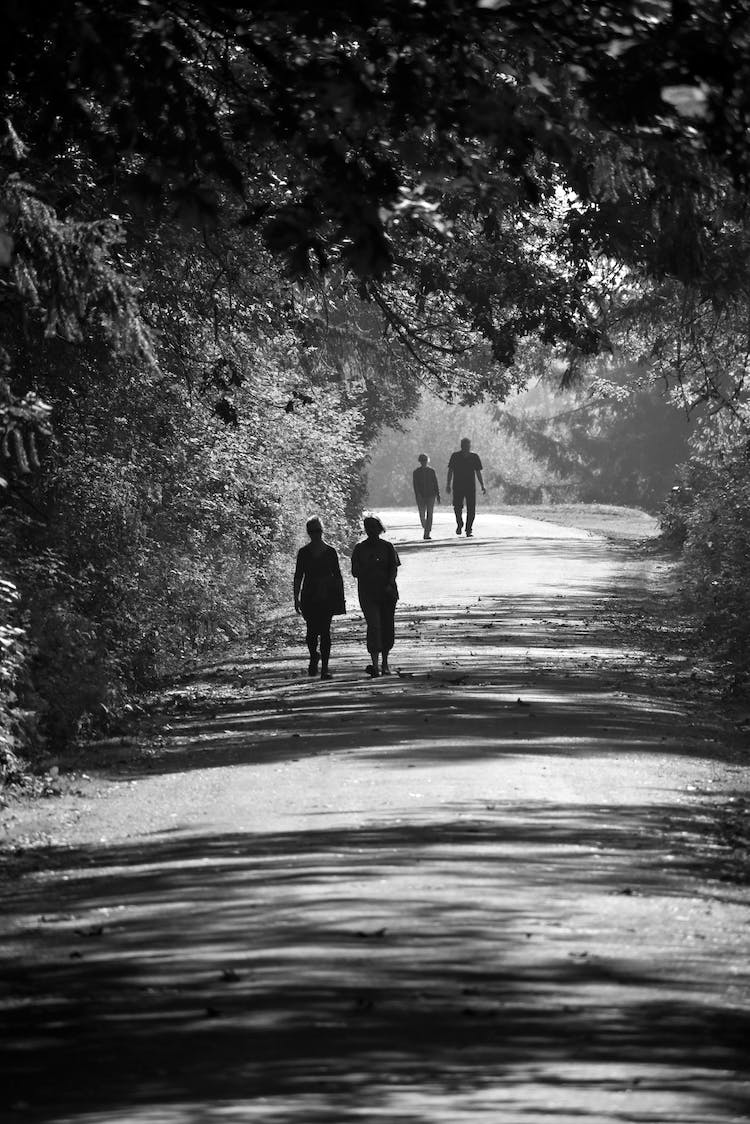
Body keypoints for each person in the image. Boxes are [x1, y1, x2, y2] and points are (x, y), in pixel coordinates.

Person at [293, 517, 345, 680]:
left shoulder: (330, 552)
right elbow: (298, 576)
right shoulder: (303, 553)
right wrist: (296, 598)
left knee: (325, 631)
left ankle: (325, 668)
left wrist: (340, 598)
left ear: (322, 531)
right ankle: (314, 656)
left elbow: (337, 576)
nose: (316, 534)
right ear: (309, 533)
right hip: (309, 595)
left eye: (318, 531)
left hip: (327, 595)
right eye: (312, 531)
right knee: (311, 633)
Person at [351, 515, 400, 678]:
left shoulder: (388, 547)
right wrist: (368, 565)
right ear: (365, 530)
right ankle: (374, 664)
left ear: (380, 529)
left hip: (387, 593)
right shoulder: (359, 549)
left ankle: (385, 663)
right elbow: (355, 572)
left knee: (387, 627)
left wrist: (389, 584)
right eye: (368, 528)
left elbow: (394, 568)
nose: (372, 531)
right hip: (367, 594)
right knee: (374, 626)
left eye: (374, 527)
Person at [446, 437, 486, 537]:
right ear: (461, 446)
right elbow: (450, 471)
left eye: (468, 446)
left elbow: (478, 472)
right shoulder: (455, 456)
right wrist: (448, 484)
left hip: (470, 486)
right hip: (458, 486)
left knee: (471, 509)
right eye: (464, 446)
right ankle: (460, 524)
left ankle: (469, 529)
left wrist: (482, 485)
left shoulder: (474, 457)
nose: (466, 448)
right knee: (457, 507)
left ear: (470, 446)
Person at [412, 453, 441, 540]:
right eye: (422, 461)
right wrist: (418, 494)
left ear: (427, 461)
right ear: (420, 461)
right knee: (422, 514)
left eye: (425, 460)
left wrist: (438, 495)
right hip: (421, 496)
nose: (424, 462)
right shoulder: (416, 472)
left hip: (431, 495)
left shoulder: (431, 471)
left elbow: (435, 483)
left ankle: (427, 533)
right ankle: (426, 527)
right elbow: (415, 485)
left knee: (430, 513)